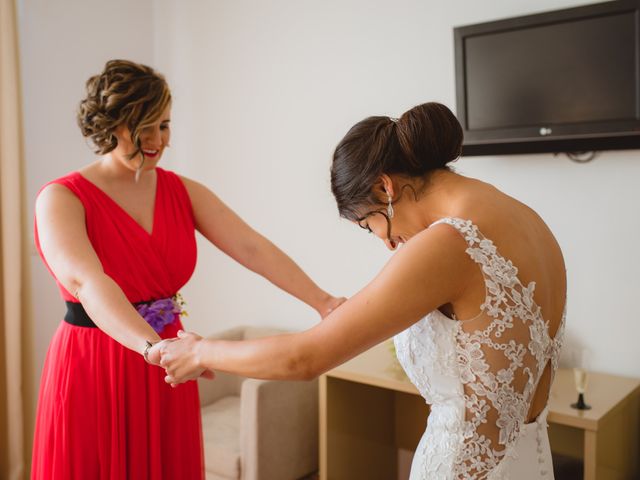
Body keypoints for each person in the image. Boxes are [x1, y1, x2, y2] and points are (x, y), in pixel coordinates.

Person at [156, 102, 567, 479]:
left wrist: (198, 351)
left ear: (385, 189)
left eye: (370, 225)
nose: (389, 244)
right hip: (531, 462)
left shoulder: (448, 244)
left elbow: (304, 358)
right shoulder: (529, 221)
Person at [31, 59, 344, 480]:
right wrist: (150, 349)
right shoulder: (61, 198)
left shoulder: (181, 190)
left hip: (168, 361)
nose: (157, 140)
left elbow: (251, 248)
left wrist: (323, 302)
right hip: (99, 362)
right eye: (143, 127)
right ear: (110, 126)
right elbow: (87, 282)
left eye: (164, 125)